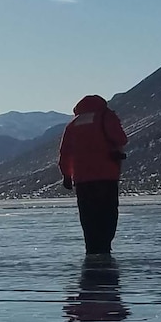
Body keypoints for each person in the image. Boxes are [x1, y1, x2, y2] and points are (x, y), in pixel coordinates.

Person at [58, 94, 128, 257]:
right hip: (106, 176)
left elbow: (65, 153)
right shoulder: (106, 116)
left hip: (82, 180)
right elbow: (121, 139)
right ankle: (104, 250)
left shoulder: (73, 124)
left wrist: (67, 175)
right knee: (107, 213)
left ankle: (92, 249)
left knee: (88, 217)